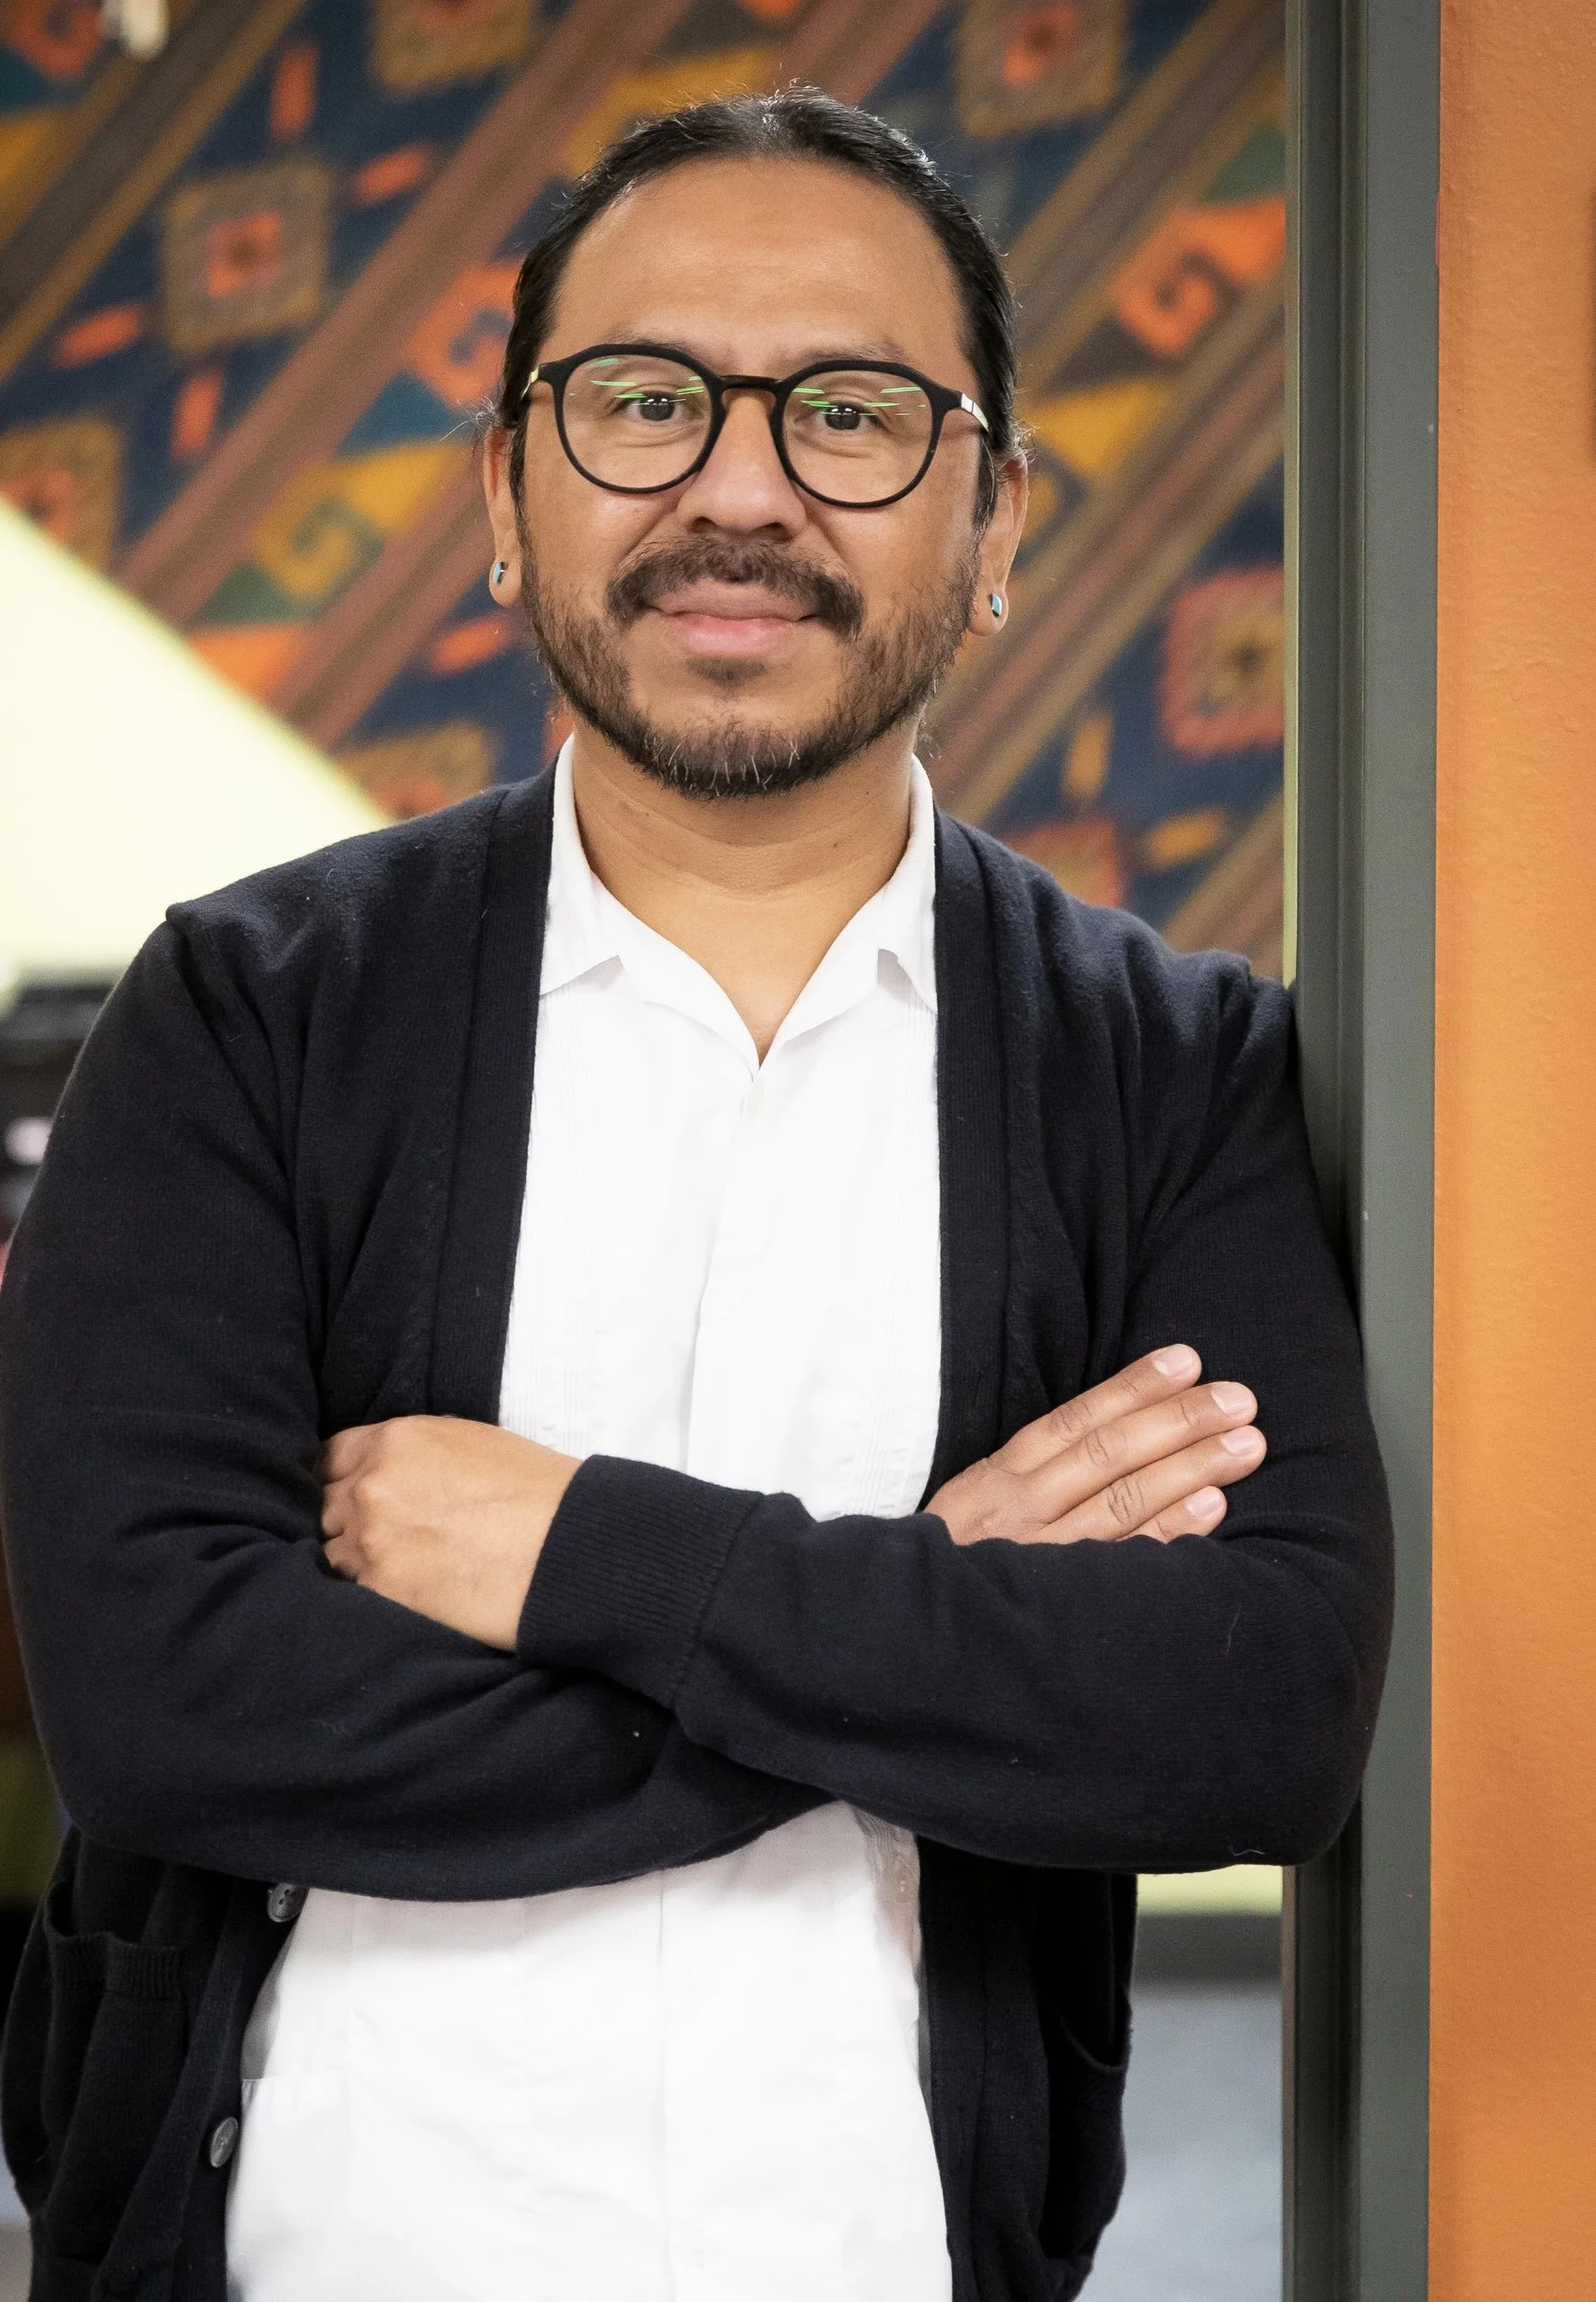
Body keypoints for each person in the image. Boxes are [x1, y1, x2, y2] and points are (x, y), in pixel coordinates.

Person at [0, 91, 1392, 2302]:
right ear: (503, 485)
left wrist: (576, 1548)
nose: (736, 489)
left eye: (849, 411)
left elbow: (1253, 1711)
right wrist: (935, 1611)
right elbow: (167, 1706)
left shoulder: (1173, 1070)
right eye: (644, 400)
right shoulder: (250, 1014)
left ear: (995, 516)